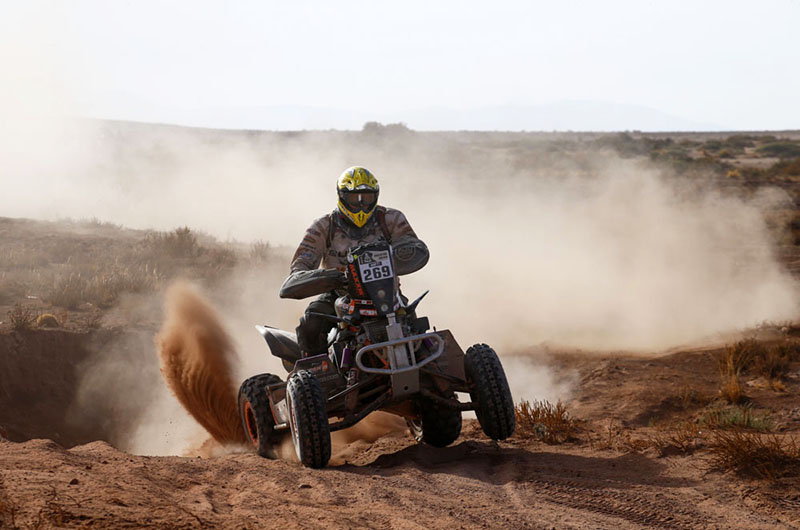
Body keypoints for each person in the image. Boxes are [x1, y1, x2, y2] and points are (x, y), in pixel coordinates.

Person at [280, 166, 429, 356]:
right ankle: (312, 377)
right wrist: (326, 278)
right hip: (338, 293)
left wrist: (395, 257)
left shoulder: (391, 218)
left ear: (375, 196)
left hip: (386, 292)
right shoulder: (323, 226)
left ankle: (430, 370)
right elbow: (300, 266)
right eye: (354, 198)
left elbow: (413, 245)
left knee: (412, 324)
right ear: (341, 196)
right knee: (310, 324)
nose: (360, 204)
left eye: (366, 198)